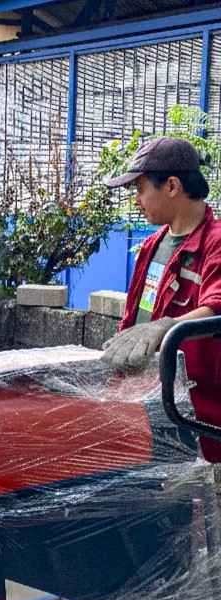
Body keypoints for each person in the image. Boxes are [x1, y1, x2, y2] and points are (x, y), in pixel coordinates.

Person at [102, 137, 221, 459]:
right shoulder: (152, 246)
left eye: (140, 189)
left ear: (171, 186)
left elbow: (217, 305)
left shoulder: (216, 243)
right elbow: (136, 318)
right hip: (146, 406)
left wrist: (167, 327)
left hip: (199, 419)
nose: (137, 200)